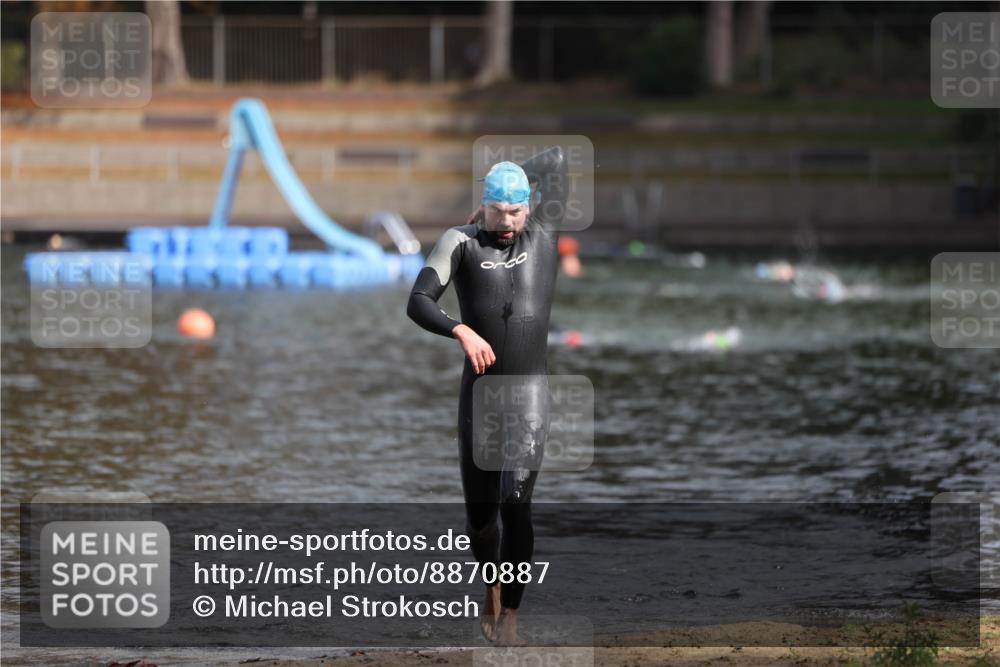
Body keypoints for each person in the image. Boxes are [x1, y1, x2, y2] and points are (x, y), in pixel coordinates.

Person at [406, 148, 567, 645]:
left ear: (529, 207)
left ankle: (512, 619)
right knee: (481, 518)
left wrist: (516, 177)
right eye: (498, 212)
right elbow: (417, 301)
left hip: (530, 396)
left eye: (516, 212)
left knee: (515, 502)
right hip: (478, 398)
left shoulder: (543, 234)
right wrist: (461, 332)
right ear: (484, 206)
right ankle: (491, 584)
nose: (507, 222)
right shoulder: (460, 242)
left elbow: (557, 159)